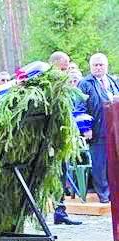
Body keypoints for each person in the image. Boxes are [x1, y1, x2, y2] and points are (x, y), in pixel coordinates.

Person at [77, 53, 119, 203]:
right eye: (95, 65)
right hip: (97, 129)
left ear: (106, 66)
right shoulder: (85, 83)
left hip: (114, 129)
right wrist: (85, 128)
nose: (99, 67)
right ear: (91, 67)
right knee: (99, 164)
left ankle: (115, 193)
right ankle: (104, 195)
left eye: (101, 65)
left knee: (115, 163)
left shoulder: (113, 81)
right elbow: (80, 108)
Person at [48, 51, 82, 225]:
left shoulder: (65, 85)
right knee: (49, 176)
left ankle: (60, 211)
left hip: (63, 138)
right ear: (54, 66)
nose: (66, 71)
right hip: (50, 141)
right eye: (63, 67)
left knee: (62, 173)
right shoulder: (48, 86)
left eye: (67, 67)